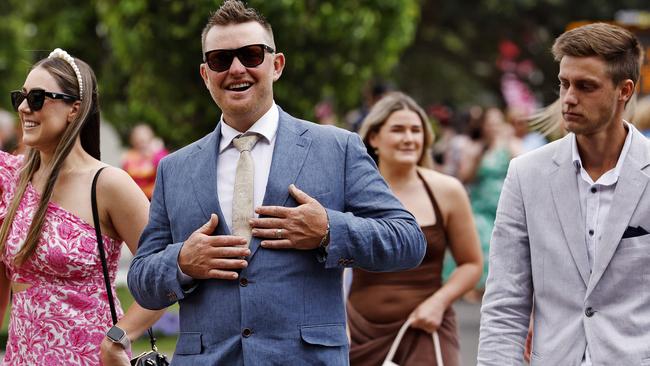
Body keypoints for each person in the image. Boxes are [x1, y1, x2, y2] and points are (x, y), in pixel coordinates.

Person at [127, 1, 426, 365]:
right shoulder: (175, 168)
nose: (237, 68)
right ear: (206, 74)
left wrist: (329, 231)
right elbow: (141, 279)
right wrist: (182, 261)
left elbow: (407, 240)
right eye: (221, 60)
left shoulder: (337, 148)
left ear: (276, 64)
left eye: (251, 55)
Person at [478, 23, 648, 365]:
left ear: (624, 91)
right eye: (564, 83)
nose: (569, 98)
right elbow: (505, 303)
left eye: (586, 86)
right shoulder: (526, 174)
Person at [0, 48, 163, 365]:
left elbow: (163, 278)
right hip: (20, 357)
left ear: (74, 108)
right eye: (19, 97)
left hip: (91, 358)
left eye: (36, 98)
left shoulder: (109, 184)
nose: (23, 107)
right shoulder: (10, 180)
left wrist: (119, 338)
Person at [349, 92, 482, 365]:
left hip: (426, 328)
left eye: (416, 130)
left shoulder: (447, 191)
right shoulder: (351, 192)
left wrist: (438, 303)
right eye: (398, 130)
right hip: (358, 334)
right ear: (374, 138)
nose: (409, 138)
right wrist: (337, 322)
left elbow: (471, 264)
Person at [446, 107, 520, 301]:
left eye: (497, 122)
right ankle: (477, 285)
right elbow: (465, 177)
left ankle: (496, 288)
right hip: (481, 205)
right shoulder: (475, 147)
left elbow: (522, 168)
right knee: (482, 238)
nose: (493, 126)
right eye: (490, 123)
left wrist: (508, 143)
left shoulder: (510, 146)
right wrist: (479, 156)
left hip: (504, 204)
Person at [122, 123, 169, 199]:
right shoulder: (129, 156)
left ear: (151, 138)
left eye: (143, 140)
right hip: (136, 197)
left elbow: (166, 169)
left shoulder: (158, 153)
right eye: (138, 139)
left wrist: (156, 153)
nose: (141, 143)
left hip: (156, 197)